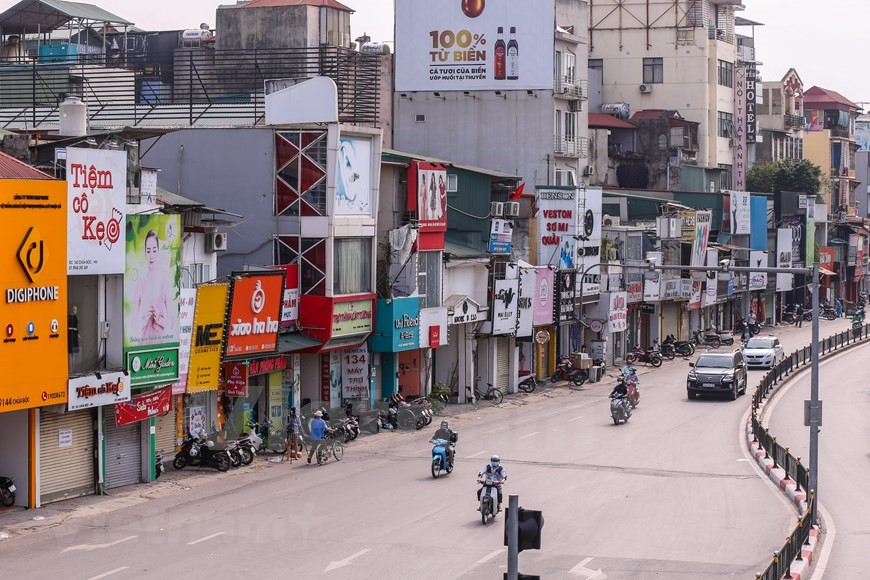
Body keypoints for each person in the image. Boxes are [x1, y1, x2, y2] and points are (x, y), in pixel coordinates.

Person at [135, 230, 173, 344]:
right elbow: (131, 323)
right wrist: (144, 320)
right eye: (148, 250)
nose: (151, 255)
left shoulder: (165, 282)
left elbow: (172, 322)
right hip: (144, 342)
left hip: (160, 342)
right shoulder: (140, 283)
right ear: (145, 253)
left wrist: (159, 319)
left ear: (158, 252)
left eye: (154, 250)